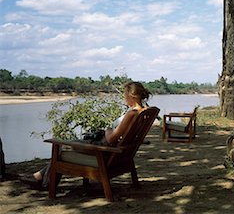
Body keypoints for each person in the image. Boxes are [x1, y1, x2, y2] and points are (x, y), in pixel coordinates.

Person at [22, 81, 151, 189]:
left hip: (103, 149)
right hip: (120, 154)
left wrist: (107, 130)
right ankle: (39, 177)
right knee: (72, 144)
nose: (124, 98)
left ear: (132, 96)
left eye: (125, 95)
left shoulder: (132, 114)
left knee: (63, 148)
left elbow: (112, 138)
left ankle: (45, 182)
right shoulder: (144, 112)